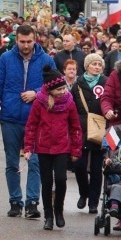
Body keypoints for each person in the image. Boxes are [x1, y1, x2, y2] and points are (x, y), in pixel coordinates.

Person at [0, 24, 56, 219]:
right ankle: (15, 201)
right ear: (16, 40)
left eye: (29, 42)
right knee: (12, 161)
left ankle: (32, 202)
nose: (26, 45)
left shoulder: (46, 60)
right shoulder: (6, 58)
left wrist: (36, 93)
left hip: (36, 120)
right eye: (22, 42)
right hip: (10, 118)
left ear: (35, 39)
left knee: (35, 161)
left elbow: (54, 86)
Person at [23, 68, 83, 230]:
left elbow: (75, 127)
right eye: (59, 89)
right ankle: (48, 215)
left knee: (62, 179)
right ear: (50, 90)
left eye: (64, 88)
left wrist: (76, 149)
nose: (63, 91)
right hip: (43, 148)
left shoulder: (69, 102)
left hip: (62, 147)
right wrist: (28, 147)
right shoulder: (39, 102)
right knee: (47, 182)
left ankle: (59, 211)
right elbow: (31, 126)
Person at [72, 52, 108, 214]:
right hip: (80, 128)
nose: (97, 67)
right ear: (87, 66)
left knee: (96, 168)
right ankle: (83, 193)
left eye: (99, 65)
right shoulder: (78, 84)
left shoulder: (106, 82)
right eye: (94, 64)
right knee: (79, 165)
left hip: (99, 127)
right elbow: (71, 106)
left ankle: (93, 202)